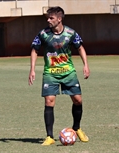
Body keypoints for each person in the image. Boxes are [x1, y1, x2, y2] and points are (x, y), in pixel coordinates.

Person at [28, 6, 90, 146]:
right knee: (49, 101)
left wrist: (85, 65)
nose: (48, 20)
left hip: (68, 71)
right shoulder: (43, 34)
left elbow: (80, 48)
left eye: (51, 18)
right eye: (47, 18)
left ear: (59, 19)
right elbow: (34, 50)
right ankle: (49, 136)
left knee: (78, 100)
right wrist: (32, 70)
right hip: (50, 72)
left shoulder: (70, 33)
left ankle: (77, 128)